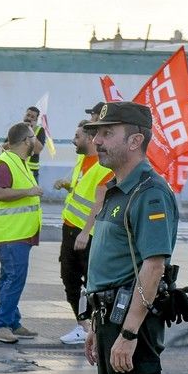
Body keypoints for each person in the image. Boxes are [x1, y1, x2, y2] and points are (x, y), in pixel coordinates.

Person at [76, 101, 180, 374]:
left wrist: (130, 332)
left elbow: (153, 266)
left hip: (129, 321)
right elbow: (106, 263)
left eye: (107, 131)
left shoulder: (148, 193)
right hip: (108, 318)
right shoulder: (116, 190)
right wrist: (93, 326)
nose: (96, 139)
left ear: (135, 139)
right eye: (96, 131)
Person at [53, 121, 112, 345]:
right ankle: (83, 325)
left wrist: (85, 233)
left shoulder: (103, 166)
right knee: (69, 278)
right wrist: (68, 185)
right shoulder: (82, 160)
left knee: (89, 282)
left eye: (77, 136)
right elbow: (81, 188)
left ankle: (89, 327)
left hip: (85, 234)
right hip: (70, 228)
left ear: (89, 139)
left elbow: (98, 203)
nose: (73, 140)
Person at [0, 123, 43, 343]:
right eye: (33, 138)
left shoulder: (20, 162)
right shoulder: (6, 163)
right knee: (14, 279)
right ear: (25, 141)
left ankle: (12, 321)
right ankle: (0, 325)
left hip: (19, 232)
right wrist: (29, 191)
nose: (35, 142)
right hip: (11, 234)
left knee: (9, 278)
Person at [22, 105, 47, 179]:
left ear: (36, 120)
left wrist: (30, 130)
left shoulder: (40, 130)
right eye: (28, 115)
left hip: (31, 172)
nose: (29, 118)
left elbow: (37, 150)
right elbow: (4, 148)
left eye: (32, 117)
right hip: (17, 168)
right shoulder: (17, 128)